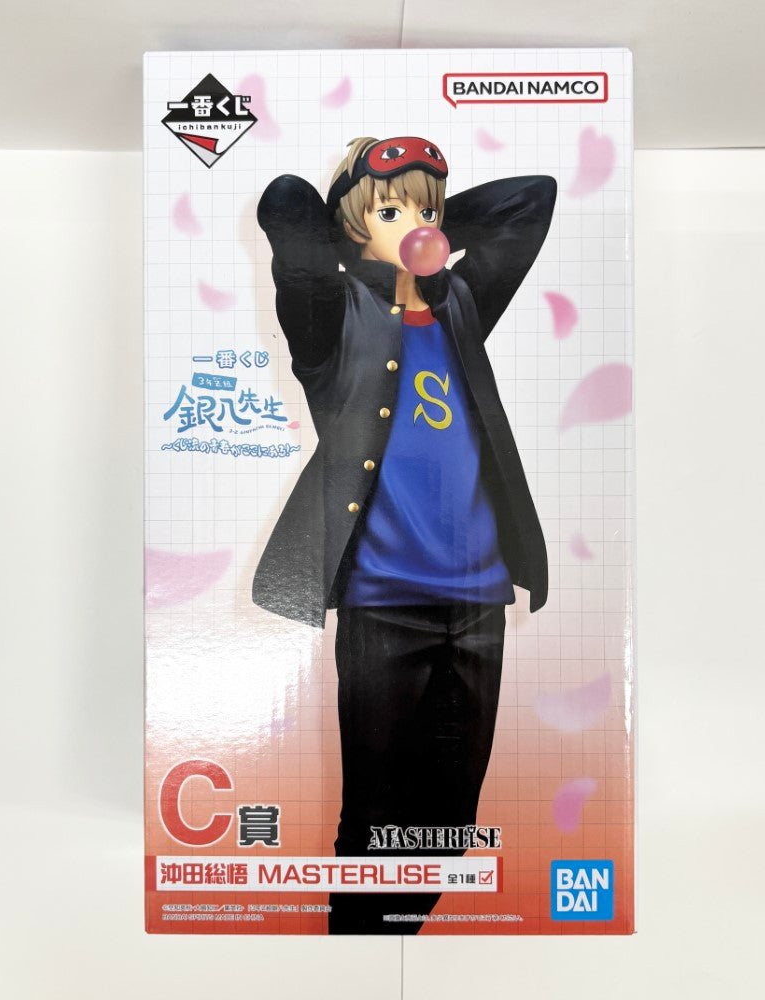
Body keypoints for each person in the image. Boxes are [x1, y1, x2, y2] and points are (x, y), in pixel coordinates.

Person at [254, 135, 556, 933]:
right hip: (384, 602)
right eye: (393, 211)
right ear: (352, 227)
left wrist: (426, 223)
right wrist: (359, 222)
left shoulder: (459, 305)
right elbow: (287, 207)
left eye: (428, 210)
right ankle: (356, 949)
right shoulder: (331, 322)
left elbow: (532, 197)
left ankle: (401, 943)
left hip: (479, 600)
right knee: (375, 813)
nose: (417, 224)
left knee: (449, 822)